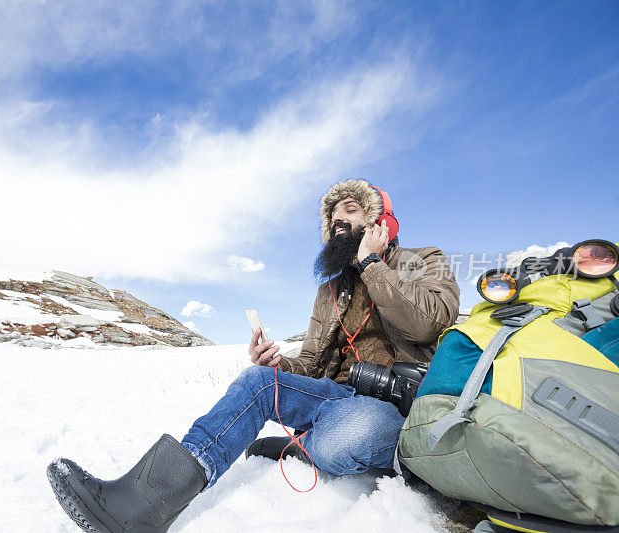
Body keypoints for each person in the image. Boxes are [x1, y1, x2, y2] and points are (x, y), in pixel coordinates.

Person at [47, 179, 461, 533]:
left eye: (350, 211)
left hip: (393, 405)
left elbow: (430, 322)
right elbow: (314, 365)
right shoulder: (331, 290)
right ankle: (141, 505)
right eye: (332, 216)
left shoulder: (424, 260)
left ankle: (307, 445)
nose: (338, 221)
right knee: (257, 383)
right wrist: (277, 364)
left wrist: (372, 263)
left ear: (379, 220)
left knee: (345, 439)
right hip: (335, 397)